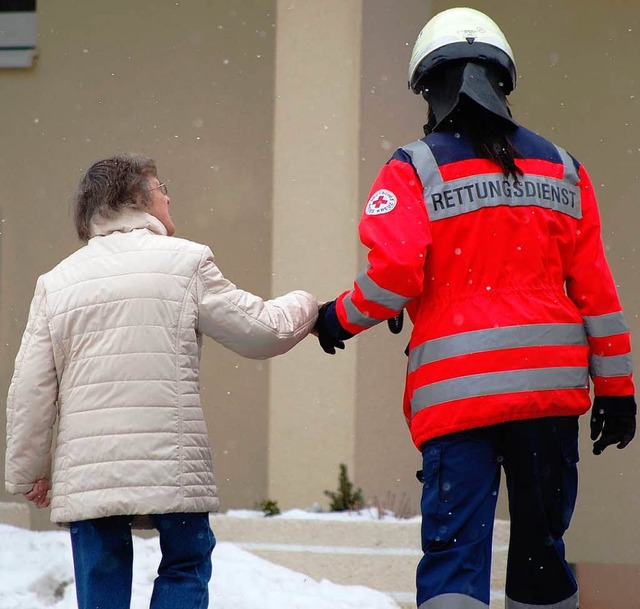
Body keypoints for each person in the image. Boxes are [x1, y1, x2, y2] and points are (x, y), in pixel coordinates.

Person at [314, 7, 636, 609]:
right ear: (503, 81)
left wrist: (338, 316)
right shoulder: (563, 169)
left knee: (456, 558)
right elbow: (597, 295)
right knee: (542, 555)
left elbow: (394, 278)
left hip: (458, 400)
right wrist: (617, 392)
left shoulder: (414, 168)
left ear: (428, 87)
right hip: (548, 395)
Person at [4, 153, 318, 609]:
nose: (169, 195)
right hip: (171, 462)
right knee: (186, 562)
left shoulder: (57, 282)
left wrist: (28, 470)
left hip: (88, 468)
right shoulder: (186, 263)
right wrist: (308, 303)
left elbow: (31, 387)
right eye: (161, 187)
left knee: (100, 577)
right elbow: (263, 332)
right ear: (136, 199)